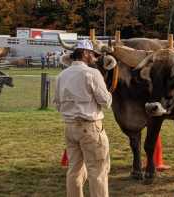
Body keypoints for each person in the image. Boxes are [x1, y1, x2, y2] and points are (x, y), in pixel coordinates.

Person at [54, 39, 112, 197]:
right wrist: (109, 93)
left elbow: (57, 104)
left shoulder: (61, 75)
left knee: (74, 170)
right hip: (90, 127)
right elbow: (105, 102)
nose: (94, 58)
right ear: (85, 53)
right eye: (93, 54)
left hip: (70, 127)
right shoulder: (92, 73)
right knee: (98, 172)